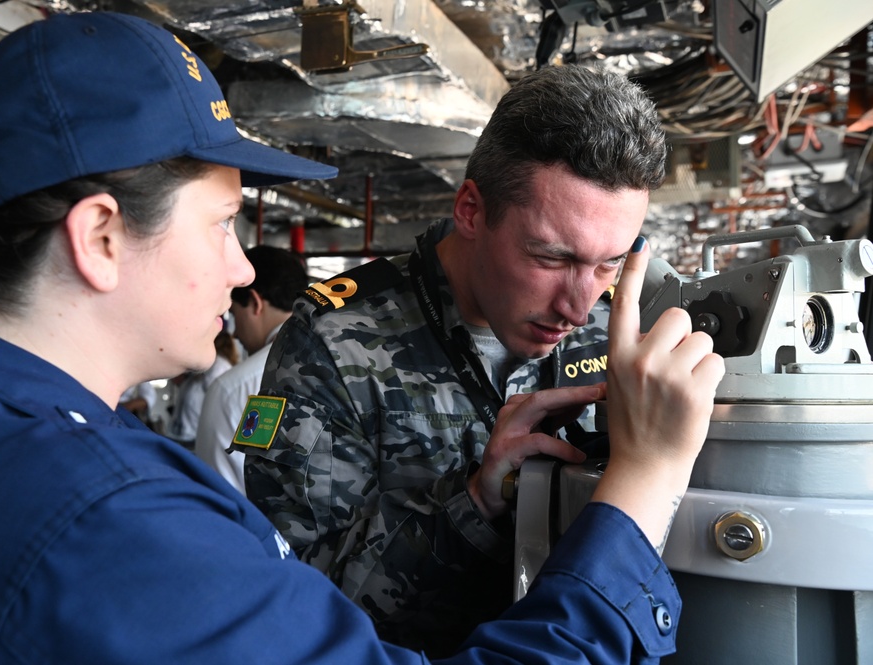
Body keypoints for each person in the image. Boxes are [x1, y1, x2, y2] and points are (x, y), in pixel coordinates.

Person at [0, 11, 723, 663]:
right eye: (220, 225)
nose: (245, 272)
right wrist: (646, 479)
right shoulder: (112, 519)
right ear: (100, 237)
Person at [239, 65, 692, 656]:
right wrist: (474, 500)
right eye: (551, 257)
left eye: (609, 263)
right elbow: (299, 608)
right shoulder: (335, 343)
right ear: (472, 211)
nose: (579, 309)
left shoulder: (616, 334)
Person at [195, 244, 308, 493]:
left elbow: (219, 498)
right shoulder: (348, 364)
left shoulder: (231, 390)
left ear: (256, 303)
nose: (234, 332)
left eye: (235, 314)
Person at [167, 331, 240, 448]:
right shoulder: (206, 364)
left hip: (192, 438)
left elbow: (217, 402)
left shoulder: (218, 365)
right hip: (183, 434)